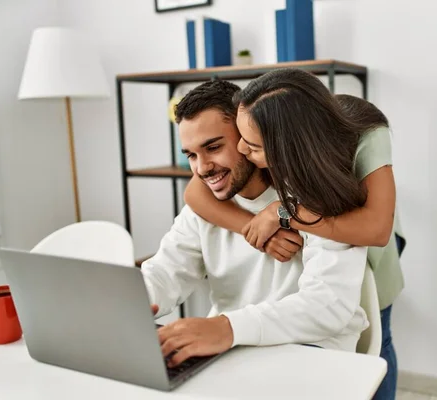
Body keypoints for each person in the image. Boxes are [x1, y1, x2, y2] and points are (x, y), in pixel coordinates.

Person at [183, 69, 404, 400]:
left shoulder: (367, 135)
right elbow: (195, 193)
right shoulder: (277, 135)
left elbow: (376, 229)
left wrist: (282, 213)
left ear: (287, 147)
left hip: (375, 242)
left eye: (252, 146)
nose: (241, 150)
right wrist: (253, 226)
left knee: (375, 337)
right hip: (330, 235)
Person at [141, 79, 370, 368]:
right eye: (191, 155)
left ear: (249, 134)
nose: (201, 168)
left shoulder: (318, 196)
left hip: (312, 355)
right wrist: (135, 297)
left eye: (213, 147)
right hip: (233, 352)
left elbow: (328, 305)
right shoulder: (203, 209)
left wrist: (228, 327)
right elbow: (166, 269)